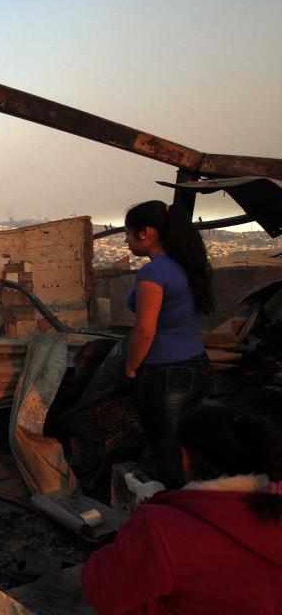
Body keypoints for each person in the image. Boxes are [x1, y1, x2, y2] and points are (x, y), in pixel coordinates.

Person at [82, 402, 282, 614]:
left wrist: (146, 515)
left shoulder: (161, 529)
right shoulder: (272, 505)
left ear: (186, 457)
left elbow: (101, 589)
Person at [123, 200, 214, 489]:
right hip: (199, 367)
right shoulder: (190, 264)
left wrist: (130, 367)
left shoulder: (153, 274)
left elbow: (145, 332)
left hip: (166, 374)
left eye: (127, 233)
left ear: (145, 233)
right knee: (194, 452)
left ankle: (177, 517)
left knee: (169, 457)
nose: (125, 240)